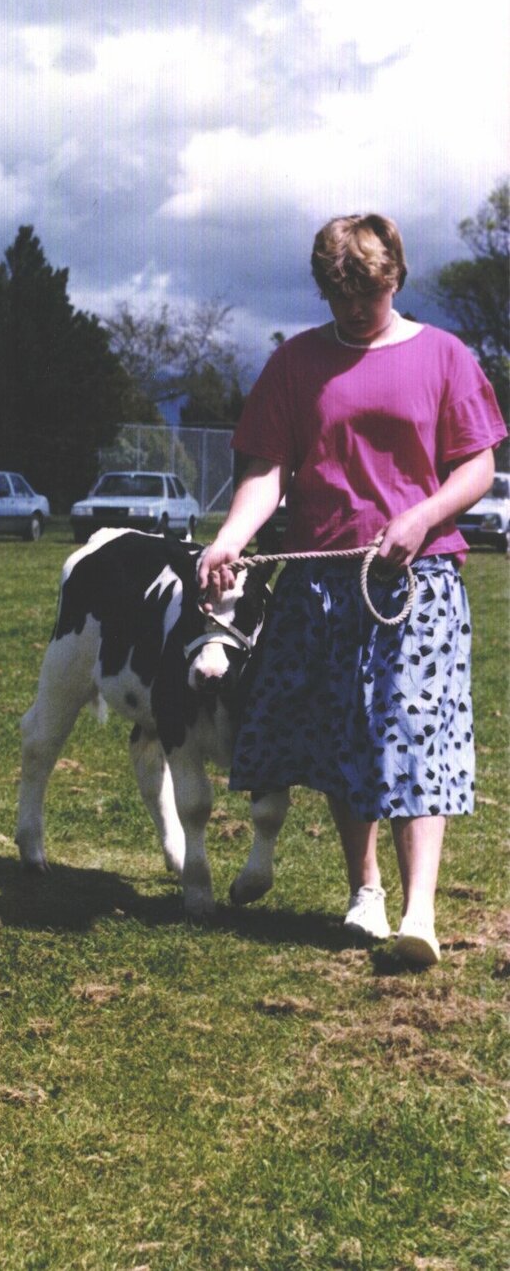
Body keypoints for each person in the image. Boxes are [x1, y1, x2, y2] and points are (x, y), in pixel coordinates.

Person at [198, 213, 507, 966]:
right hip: (321, 582)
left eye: (364, 297)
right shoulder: (296, 364)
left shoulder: (444, 354)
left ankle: (421, 913)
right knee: (346, 734)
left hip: (417, 577)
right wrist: (231, 538)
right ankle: (363, 891)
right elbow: (267, 473)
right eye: (338, 299)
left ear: (394, 276)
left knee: (412, 728)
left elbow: (477, 467)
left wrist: (422, 516)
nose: (352, 313)